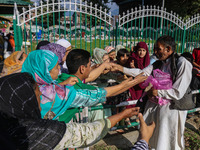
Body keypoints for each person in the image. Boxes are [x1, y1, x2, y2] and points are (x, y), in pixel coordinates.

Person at [0, 72, 155, 149]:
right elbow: (86, 132)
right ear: (24, 99)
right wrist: (143, 141)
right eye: (37, 95)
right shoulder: (34, 132)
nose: (42, 97)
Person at [111, 35, 192, 150]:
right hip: (156, 107)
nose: (155, 52)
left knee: (168, 139)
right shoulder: (159, 63)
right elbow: (142, 74)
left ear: (168, 49)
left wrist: (158, 92)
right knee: (155, 138)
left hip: (172, 110)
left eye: (158, 49)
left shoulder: (182, 63)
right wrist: (121, 68)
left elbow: (178, 92)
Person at [21, 50, 147, 120]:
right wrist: (131, 83)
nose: (60, 69)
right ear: (44, 71)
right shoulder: (62, 93)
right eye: (55, 67)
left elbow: (86, 78)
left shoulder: (24, 85)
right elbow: (100, 94)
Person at [128, 42, 150, 108]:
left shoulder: (148, 60)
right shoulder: (133, 59)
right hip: (135, 85)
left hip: (144, 84)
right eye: (140, 50)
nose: (141, 53)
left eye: (144, 50)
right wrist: (133, 68)